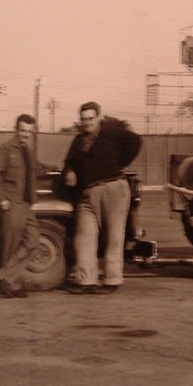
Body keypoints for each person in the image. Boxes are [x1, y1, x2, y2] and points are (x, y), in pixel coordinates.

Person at [63, 101, 142, 294]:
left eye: (91, 118)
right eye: (83, 119)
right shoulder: (78, 141)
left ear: (99, 117)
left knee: (113, 237)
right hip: (87, 193)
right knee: (84, 238)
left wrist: (119, 163)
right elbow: (69, 161)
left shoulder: (112, 133)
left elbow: (136, 141)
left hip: (113, 188)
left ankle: (111, 280)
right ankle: (86, 280)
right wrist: (70, 171)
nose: (87, 123)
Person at [0, 114, 41, 298]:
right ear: (16, 129)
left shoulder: (28, 151)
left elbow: (34, 169)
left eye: (29, 131)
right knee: (10, 247)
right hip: (11, 204)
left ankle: (5, 276)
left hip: (26, 205)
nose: (25, 134)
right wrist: (2, 199)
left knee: (33, 241)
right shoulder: (5, 149)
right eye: (22, 130)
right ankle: (10, 282)